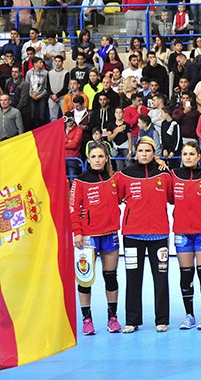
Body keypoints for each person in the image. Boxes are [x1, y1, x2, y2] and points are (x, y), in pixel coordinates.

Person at [114, 137, 173, 333]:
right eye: (141, 151)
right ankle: (132, 320)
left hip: (159, 235)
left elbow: (172, 197)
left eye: (148, 151)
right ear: (136, 153)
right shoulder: (124, 175)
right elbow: (117, 197)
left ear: (154, 153)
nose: (144, 154)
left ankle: (162, 320)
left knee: (161, 279)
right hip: (132, 235)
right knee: (133, 277)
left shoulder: (164, 175)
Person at [70, 141, 122, 335]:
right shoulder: (80, 181)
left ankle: (113, 318)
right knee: (85, 280)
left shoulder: (114, 179)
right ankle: (87, 320)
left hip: (110, 234)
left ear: (106, 158)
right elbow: (73, 209)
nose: (97, 160)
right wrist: (77, 232)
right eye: (94, 156)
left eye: (101, 156)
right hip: (88, 237)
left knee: (111, 277)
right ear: (88, 159)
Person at [169, 143, 201, 330]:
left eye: (192, 154)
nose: (188, 157)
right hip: (182, 231)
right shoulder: (173, 176)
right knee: (186, 274)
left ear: (198, 156)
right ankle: (189, 315)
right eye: (185, 154)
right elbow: (170, 197)